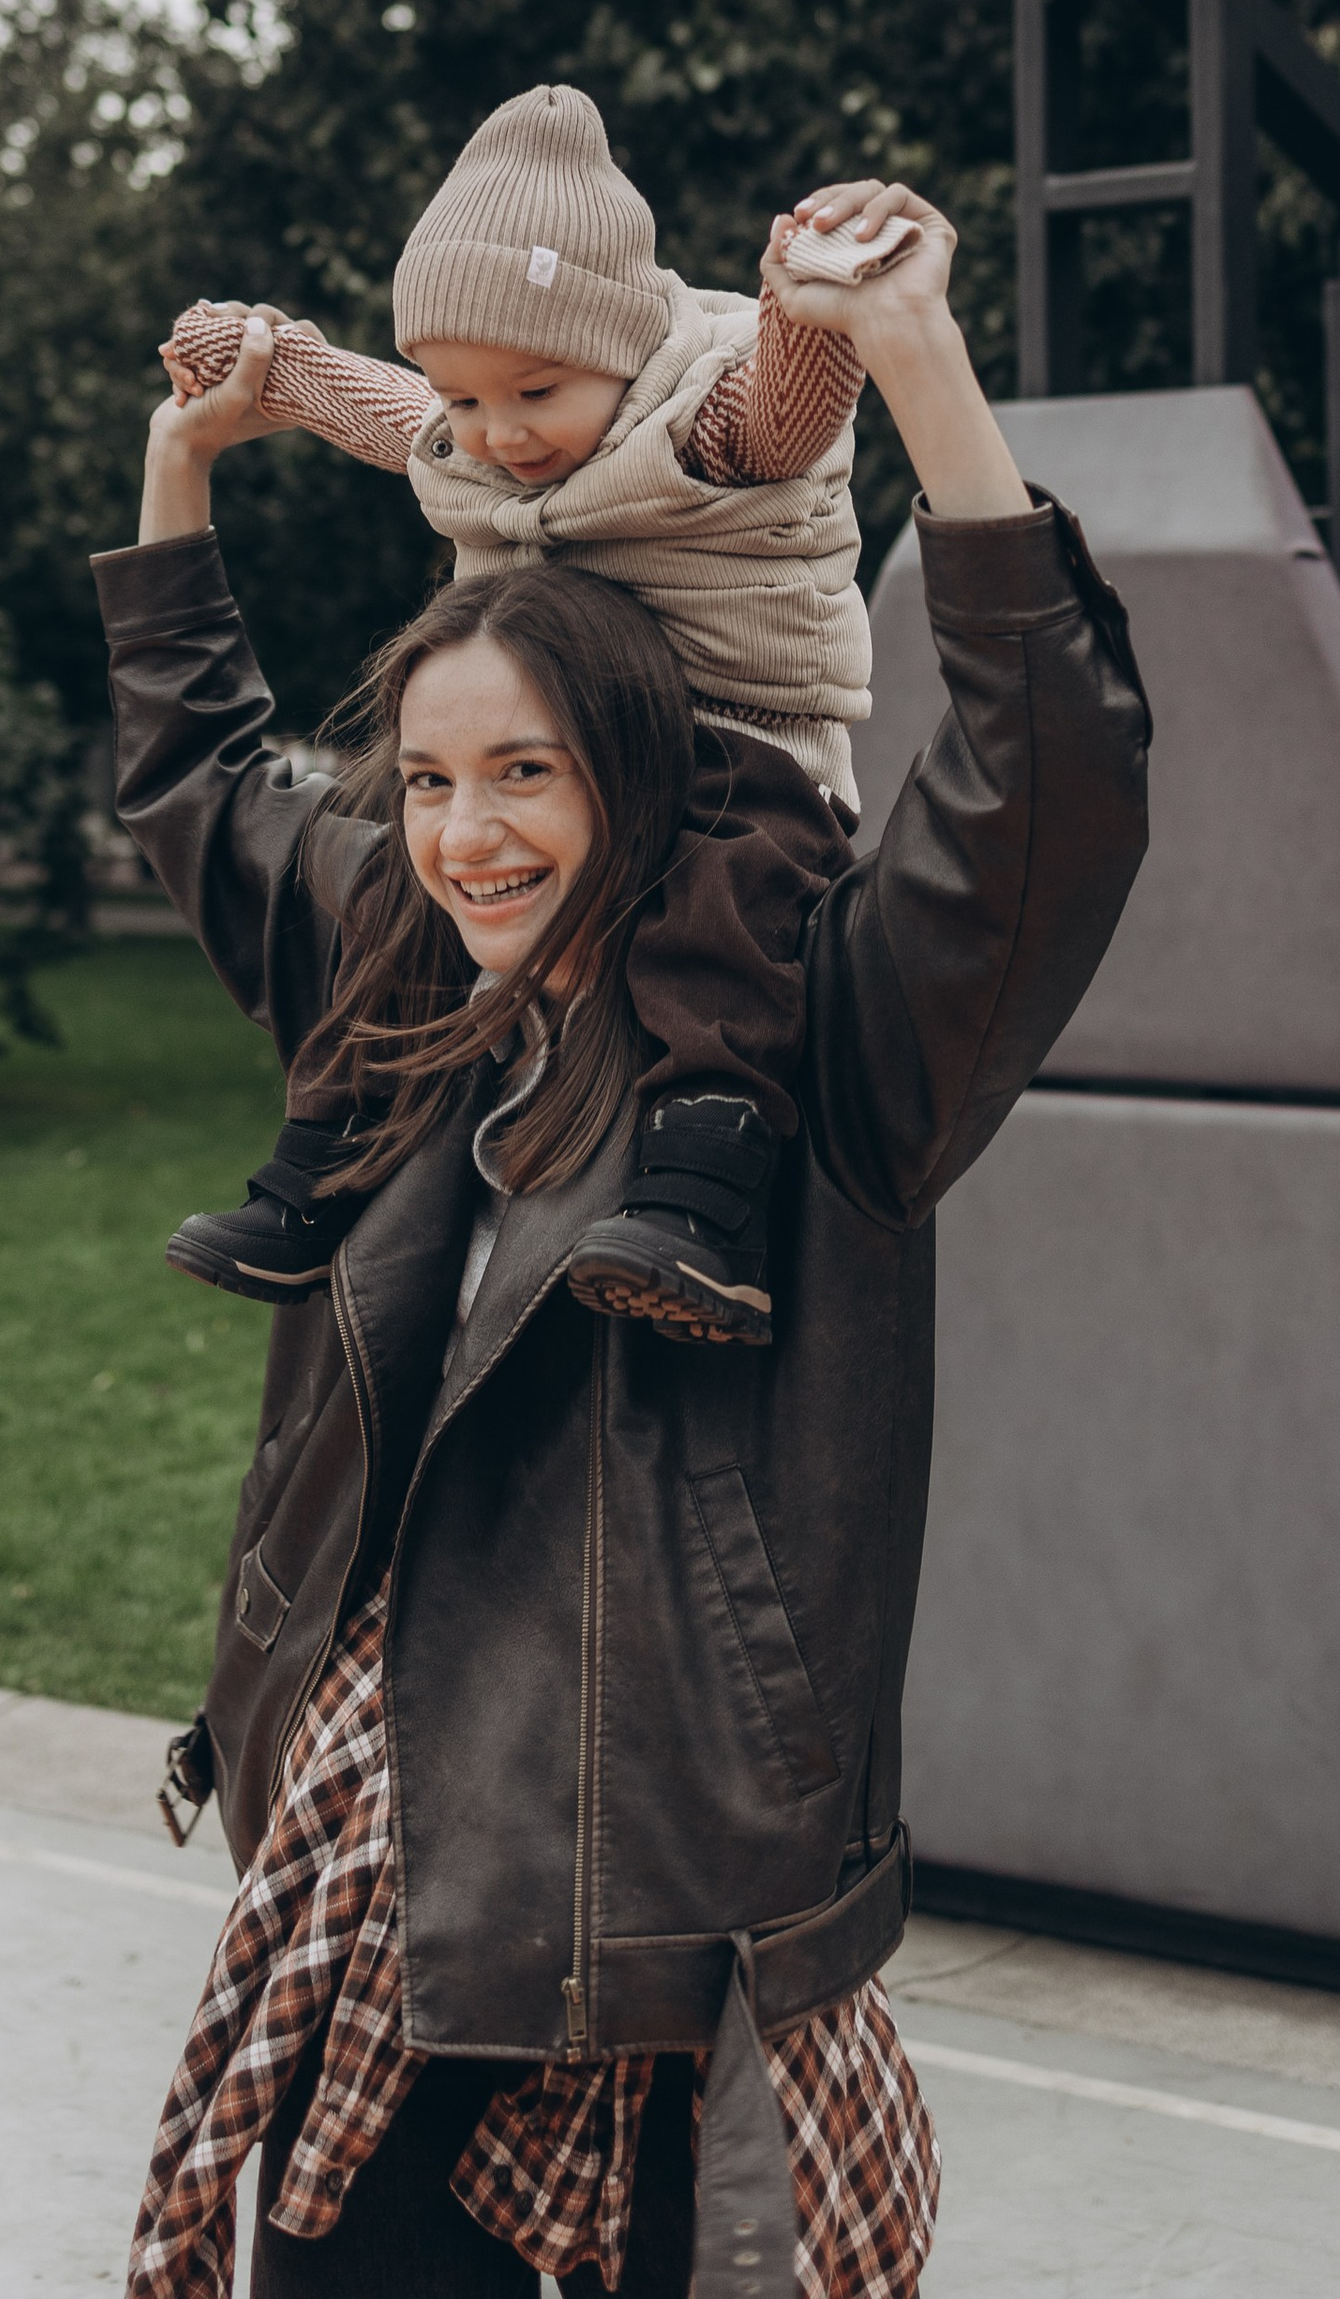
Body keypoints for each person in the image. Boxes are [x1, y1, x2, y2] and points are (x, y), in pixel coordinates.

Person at [98, 177, 1150, 2296]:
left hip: (648, 1930)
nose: (467, 832)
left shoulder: (820, 1040)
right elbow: (206, 783)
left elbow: (1043, 798)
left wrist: (918, 367)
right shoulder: (393, 979)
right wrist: (178, 469)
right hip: (355, 1898)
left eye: (530, 776)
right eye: (426, 780)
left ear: (644, 776)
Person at [153, 83, 910, 1347]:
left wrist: (805, 293)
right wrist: (263, 361)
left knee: (718, 911)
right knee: (398, 895)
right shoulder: (476, 430)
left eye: (533, 394)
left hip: (740, 747)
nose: (496, 436)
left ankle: (699, 1188)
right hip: (552, 743)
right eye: (463, 398)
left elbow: (794, 401)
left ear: (620, 351)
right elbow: (373, 406)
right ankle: (323, 1162)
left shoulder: (705, 425)